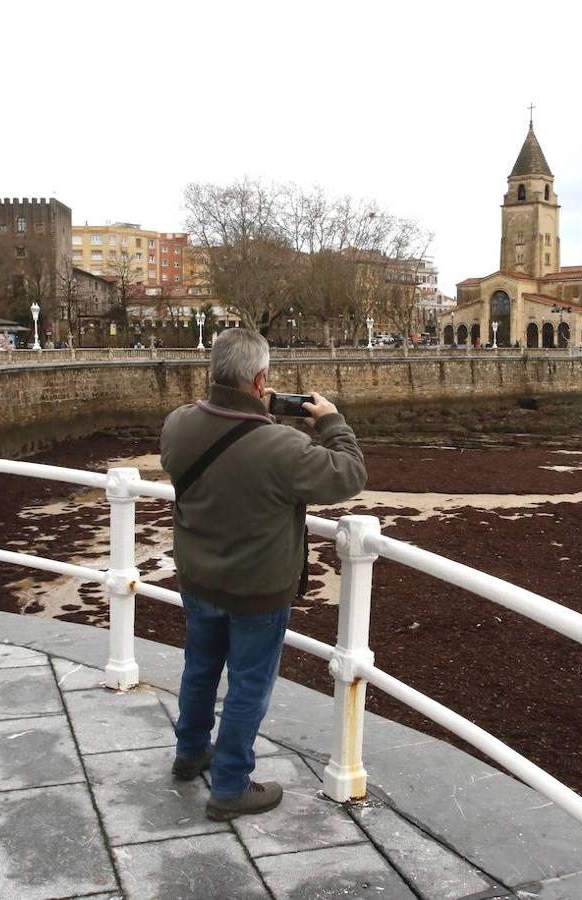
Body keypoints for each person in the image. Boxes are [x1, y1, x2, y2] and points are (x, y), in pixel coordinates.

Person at [160, 328, 366, 821]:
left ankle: (190, 754)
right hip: (256, 589)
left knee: (200, 668)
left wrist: (254, 408)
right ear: (261, 379)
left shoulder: (178, 424)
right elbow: (349, 474)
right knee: (249, 684)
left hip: (198, 578)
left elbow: (223, 447)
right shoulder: (283, 446)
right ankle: (230, 786)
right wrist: (333, 422)